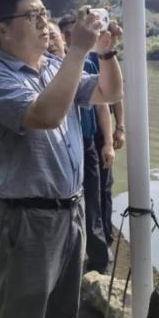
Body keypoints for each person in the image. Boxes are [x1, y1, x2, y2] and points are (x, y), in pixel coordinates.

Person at [0, 0, 123, 318]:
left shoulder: (55, 65)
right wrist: (78, 51)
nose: (43, 21)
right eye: (32, 14)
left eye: (44, 12)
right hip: (29, 220)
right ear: (3, 29)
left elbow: (109, 92)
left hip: (71, 212)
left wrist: (104, 53)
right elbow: (47, 114)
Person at [52, 17, 114, 273]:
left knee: (94, 202)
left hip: (87, 142)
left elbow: (105, 104)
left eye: (61, 37)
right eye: (61, 35)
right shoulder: (43, 69)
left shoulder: (86, 63)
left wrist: (109, 141)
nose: (62, 40)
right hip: (58, 146)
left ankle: (99, 262)